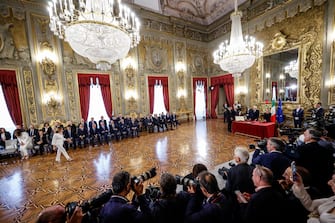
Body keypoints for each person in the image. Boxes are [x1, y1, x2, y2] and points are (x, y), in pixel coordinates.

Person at [296, 128, 334, 196]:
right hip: (323, 180)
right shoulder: (325, 150)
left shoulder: (301, 149)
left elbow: (298, 166)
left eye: (305, 135)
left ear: (310, 137)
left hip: (308, 180)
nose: (303, 136)